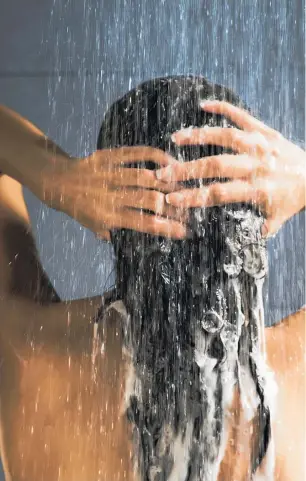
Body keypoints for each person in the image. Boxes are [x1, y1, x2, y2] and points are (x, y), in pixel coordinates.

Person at [0, 75, 304, 481]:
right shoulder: (296, 376)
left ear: (106, 213)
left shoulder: (29, 355)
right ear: (248, 222)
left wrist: (57, 177)